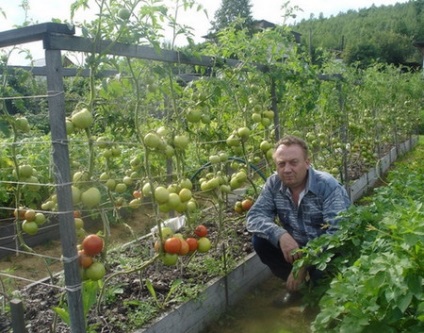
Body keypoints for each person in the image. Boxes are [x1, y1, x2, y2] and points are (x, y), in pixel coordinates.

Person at [246, 135, 351, 307]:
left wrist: (303, 264)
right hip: (296, 247)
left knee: (320, 278)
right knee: (260, 241)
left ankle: (320, 292)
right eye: (281, 164)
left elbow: (338, 232)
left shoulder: (326, 185)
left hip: (327, 249)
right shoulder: (274, 184)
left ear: (307, 162)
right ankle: (297, 290)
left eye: (293, 162)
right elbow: (254, 216)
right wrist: (280, 235)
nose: (287, 169)